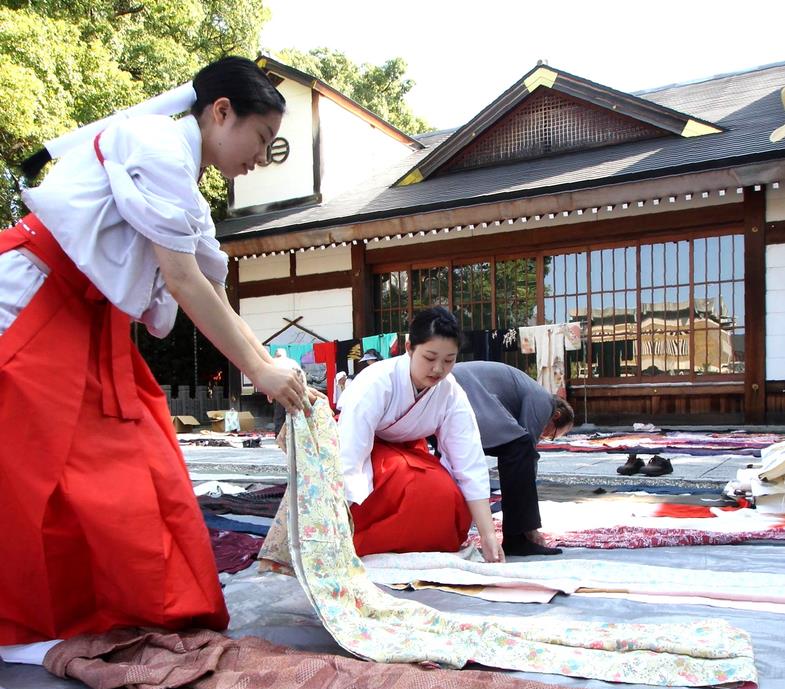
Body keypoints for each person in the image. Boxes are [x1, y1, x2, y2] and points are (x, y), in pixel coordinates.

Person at [0, 56, 307, 647]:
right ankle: (48, 606)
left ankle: (132, 603)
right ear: (222, 112)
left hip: (91, 321)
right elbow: (186, 282)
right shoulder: (157, 147)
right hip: (34, 299)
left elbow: (212, 282)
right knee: (29, 461)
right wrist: (259, 371)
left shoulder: (183, 179)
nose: (261, 156)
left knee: (143, 457)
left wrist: (267, 364)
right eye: (262, 137)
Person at [337, 307, 503, 562]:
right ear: (409, 347)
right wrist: (337, 522)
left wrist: (488, 536)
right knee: (411, 485)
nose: (438, 369)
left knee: (447, 497)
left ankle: (415, 544)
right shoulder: (376, 382)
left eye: (449, 361)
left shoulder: (450, 393)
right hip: (367, 449)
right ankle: (363, 538)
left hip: (408, 450)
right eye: (430, 357)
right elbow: (350, 452)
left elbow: (468, 460)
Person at [451, 361, 574, 557]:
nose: (545, 437)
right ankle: (518, 538)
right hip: (466, 392)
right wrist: (530, 526)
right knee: (520, 448)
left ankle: (447, 529)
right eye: (552, 434)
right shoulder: (543, 401)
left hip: (459, 388)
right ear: (556, 415)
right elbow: (526, 452)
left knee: (512, 449)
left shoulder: (530, 390)